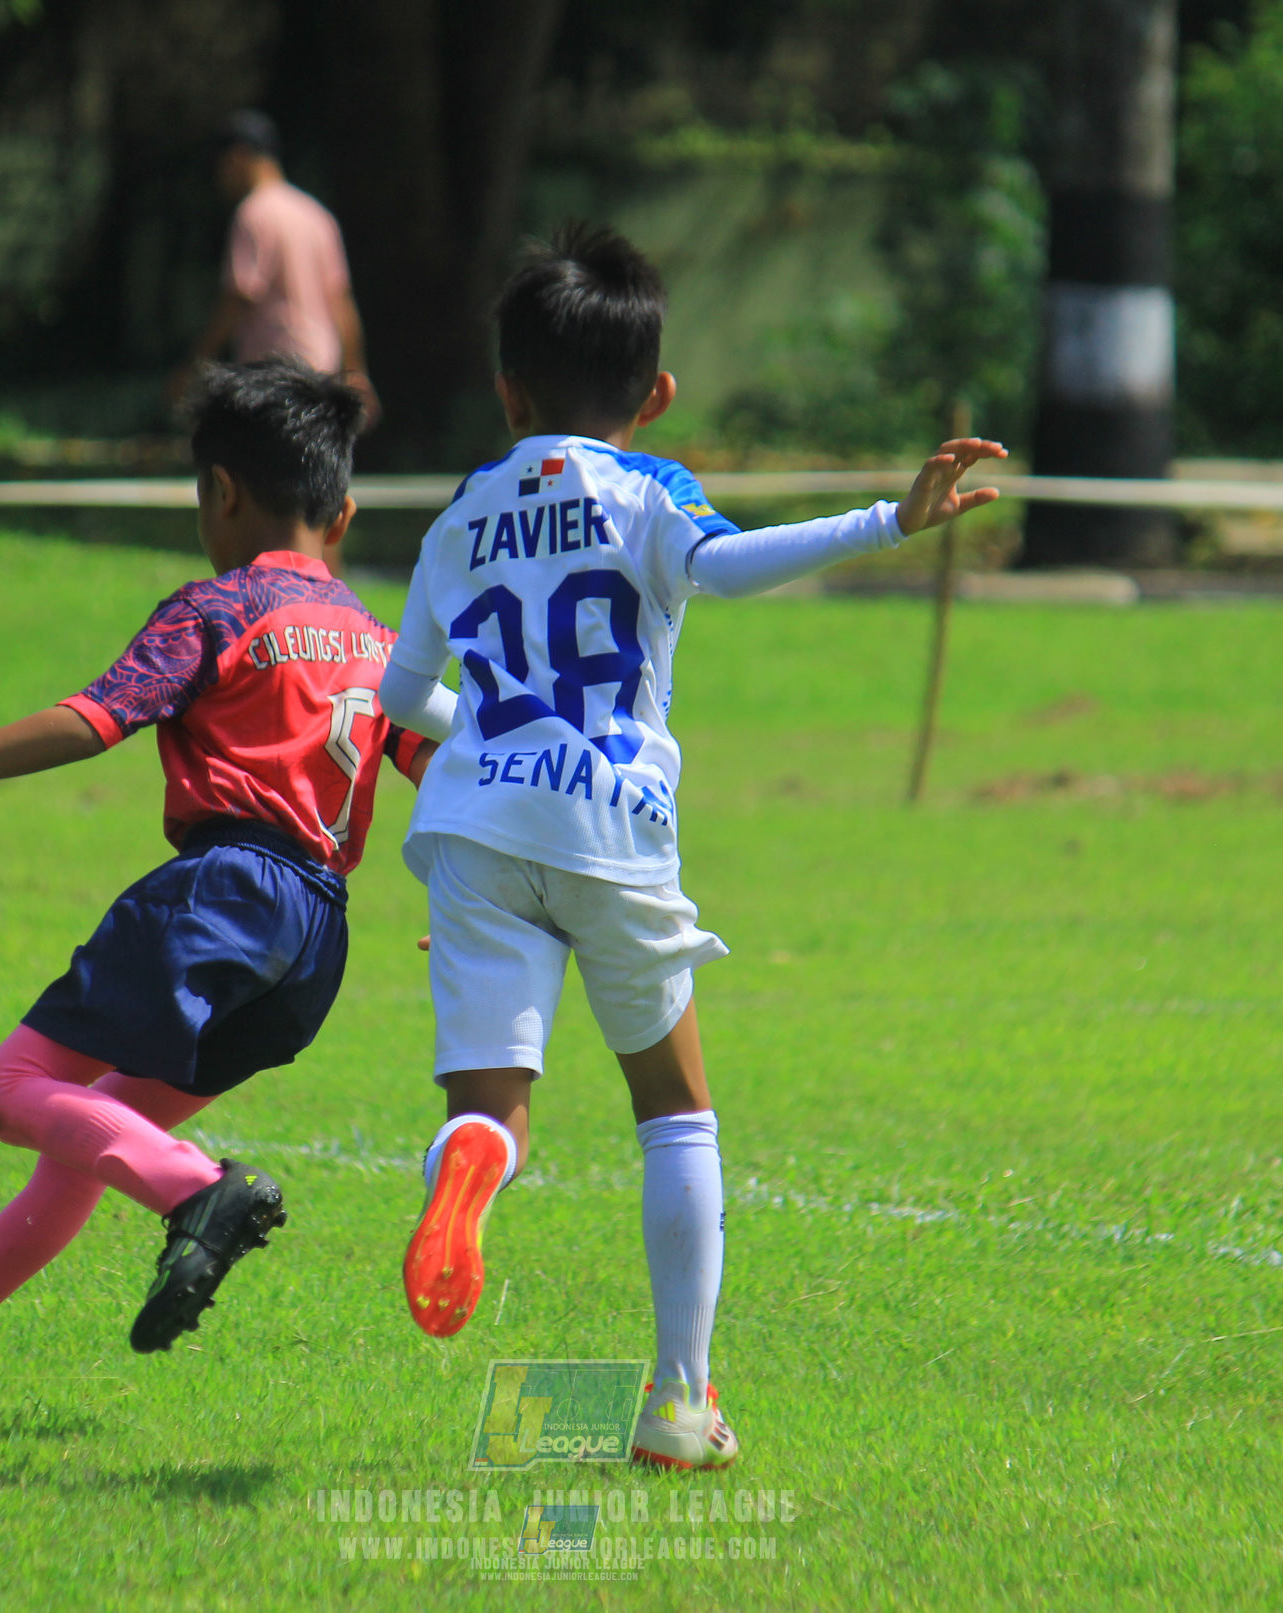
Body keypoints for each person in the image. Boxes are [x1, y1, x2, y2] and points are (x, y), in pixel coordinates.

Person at [378, 224, 1006, 1470]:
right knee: (673, 1114)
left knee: (490, 1103)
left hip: (474, 824)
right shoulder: (650, 491)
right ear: (657, 395)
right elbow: (727, 564)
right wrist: (889, 517)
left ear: (507, 391)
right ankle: (677, 1403)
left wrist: (483, 738)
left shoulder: (459, 511)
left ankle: (468, 1178)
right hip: (611, 826)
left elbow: (402, 699)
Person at [0, 358, 455, 1412]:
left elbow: (96, 716)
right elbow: (457, 776)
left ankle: (202, 1190)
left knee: (7, 1090)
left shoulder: (219, 609)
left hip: (223, 894)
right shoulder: (383, 648)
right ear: (344, 512)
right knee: (83, 1145)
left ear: (221, 492)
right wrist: (474, 912)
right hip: (315, 947)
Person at [172, 110, 378, 427]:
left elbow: (240, 296)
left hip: (273, 377)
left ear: (239, 156)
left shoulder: (253, 214)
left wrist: (196, 365)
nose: (220, 175)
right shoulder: (316, 215)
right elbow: (340, 300)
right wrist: (356, 374)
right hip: (321, 372)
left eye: (222, 164)